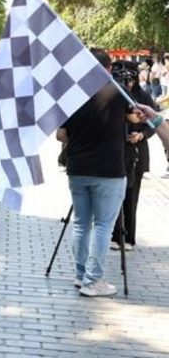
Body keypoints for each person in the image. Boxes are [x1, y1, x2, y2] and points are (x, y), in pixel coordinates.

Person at [55, 48, 127, 297]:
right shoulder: (117, 92)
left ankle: (80, 274)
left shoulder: (71, 95)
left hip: (77, 169)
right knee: (103, 226)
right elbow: (137, 117)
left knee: (81, 224)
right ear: (107, 69)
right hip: (108, 170)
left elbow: (60, 135)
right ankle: (93, 281)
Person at [112, 62, 157, 251]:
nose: (127, 84)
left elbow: (153, 124)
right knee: (114, 196)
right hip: (115, 152)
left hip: (136, 152)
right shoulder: (113, 95)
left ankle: (129, 236)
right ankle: (113, 235)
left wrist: (141, 135)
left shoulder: (143, 96)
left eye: (130, 80)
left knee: (131, 196)